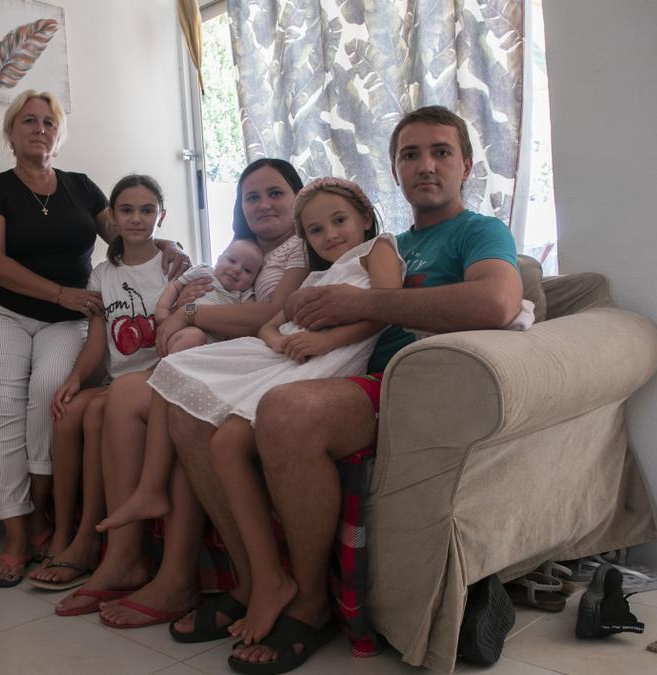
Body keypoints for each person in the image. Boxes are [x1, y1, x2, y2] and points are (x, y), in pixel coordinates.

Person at [169, 105, 524, 673]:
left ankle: (310, 603)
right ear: (395, 169)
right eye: (410, 154)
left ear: (466, 165)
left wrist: (361, 305)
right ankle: (254, 580)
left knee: (287, 411)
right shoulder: (378, 242)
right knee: (190, 408)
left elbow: (498, 303)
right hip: (338, 367)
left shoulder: (478, 230)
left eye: (440, 152)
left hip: (400, 383)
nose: (425, 165)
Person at [149, 177, 402, 658]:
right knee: (189, 389)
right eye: (315, 230)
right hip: (287, 357)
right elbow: (271, 322)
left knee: (229, 435)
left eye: (339, 221)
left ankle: (287, 591)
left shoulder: (377, 251)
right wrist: (274, 341)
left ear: (366, 218)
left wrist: (326, 340)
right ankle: (264, 579)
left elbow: (385, 308)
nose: (329, 235)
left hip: (330, 361)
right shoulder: (316, 277)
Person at [52, 159, 309, 626]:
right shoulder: (245, 253)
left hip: (249, 365)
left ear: (299, 198)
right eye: (252, 196)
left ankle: (173, 576)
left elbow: (275, 312)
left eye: (276, 193)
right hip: (225, 357)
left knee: (139, 397)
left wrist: (190, 318)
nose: (264, 204)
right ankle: (124, 557)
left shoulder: (300, 249)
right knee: (127, 395)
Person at [0, 90, 188, 588]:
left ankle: (44, 517)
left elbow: (127, 235)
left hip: (68, 319)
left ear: (58, 133)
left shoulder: (80, 188)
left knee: (51, 392)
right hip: (3, 311)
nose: (39, 129)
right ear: (11, 132)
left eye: (49, 121)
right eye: (28, 120)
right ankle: (17, 539)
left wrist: (168, 243)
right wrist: (62, 293)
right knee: (5, 409)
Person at [26, 174, 171, 591]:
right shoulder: (102, 274)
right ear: (111, 216)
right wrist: (72, 379)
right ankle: (64, 531)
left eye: (147, 210)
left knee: (94, 415)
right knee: (68, 408)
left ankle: (89, 538)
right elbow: (97, 342)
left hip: (156, 381)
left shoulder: (173, 264)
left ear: (161, 215)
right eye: (127, 210)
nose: (137, 219)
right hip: (118, 378)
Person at [92, 238, 264, 534]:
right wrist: (163, 312)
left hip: (214, 351)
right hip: (184, 335)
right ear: (219, 255)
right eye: (232, 261)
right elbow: (172, 289)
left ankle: (164, 376)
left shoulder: (245, 296)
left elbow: (252, 323)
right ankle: (166, 373)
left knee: (194, 345)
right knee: (190, 339)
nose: (236, 271)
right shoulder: (203, 272)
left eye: (247, 270)